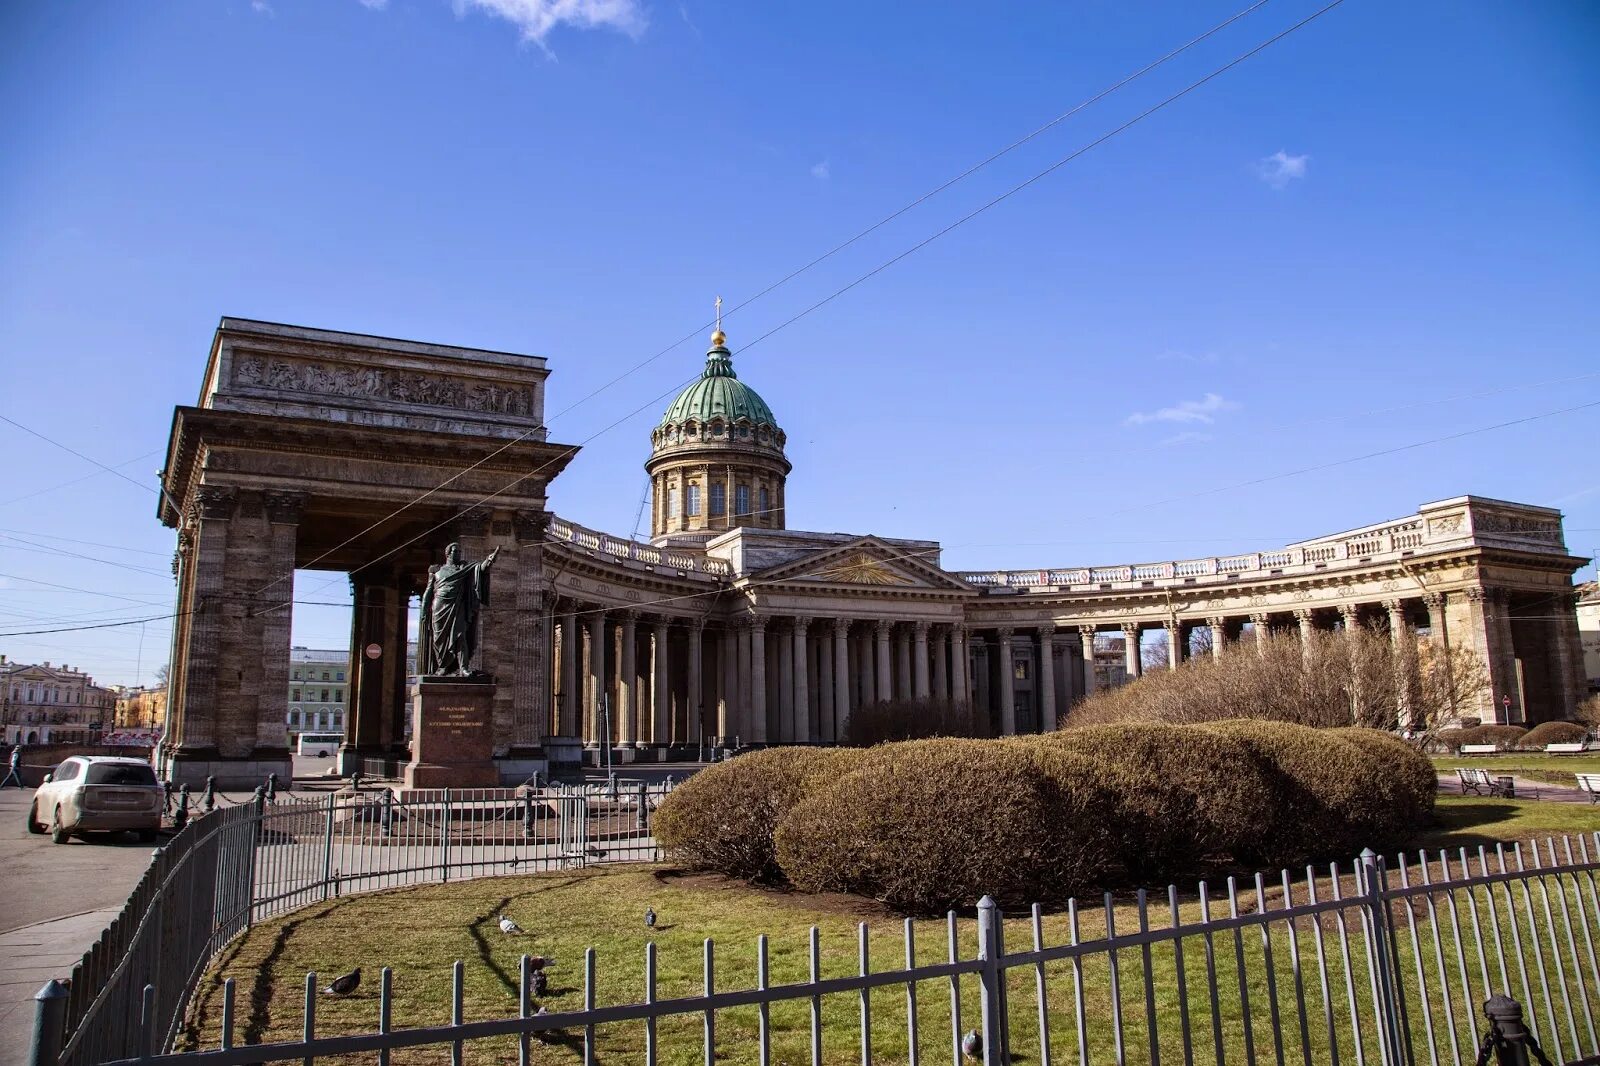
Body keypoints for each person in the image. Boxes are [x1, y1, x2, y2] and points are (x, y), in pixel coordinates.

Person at [418, 542, 500, 676]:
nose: (458, 554)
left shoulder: (463, 568)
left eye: (459, 552)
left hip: (457, 606)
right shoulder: (436, 570)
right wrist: (424, 609)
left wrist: (489, 560)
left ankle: (464, 668)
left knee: (460, 636)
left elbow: (479, 569)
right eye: (455, 551)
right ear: (447, 553)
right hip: (439, 607)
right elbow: (428, 590)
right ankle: (443, 667)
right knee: (439, 640)